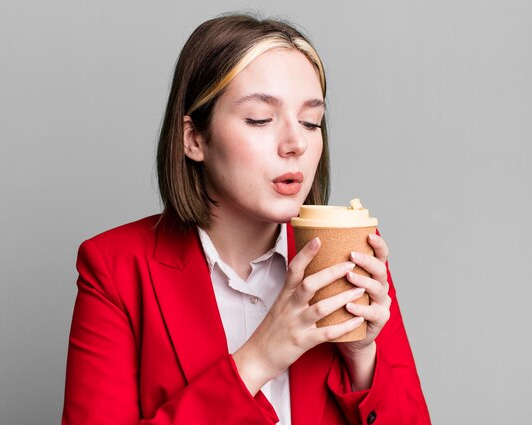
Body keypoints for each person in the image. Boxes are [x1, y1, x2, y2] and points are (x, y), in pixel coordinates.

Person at [61, 13, 431, 425]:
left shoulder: (347, 252)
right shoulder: (115, 268)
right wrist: (258, 359)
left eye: (311, 122)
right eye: (260, 119)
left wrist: (363, 359)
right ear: (194, 138)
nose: (296, 144)